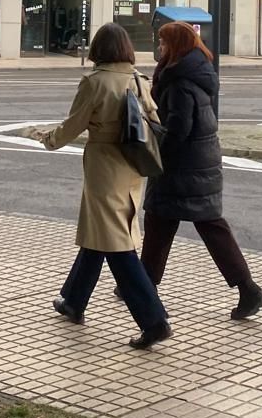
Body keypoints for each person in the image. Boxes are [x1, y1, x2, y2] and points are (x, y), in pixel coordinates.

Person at [40, 23, 173, 349]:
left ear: (98, 49)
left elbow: (73, 125)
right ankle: (73, 300)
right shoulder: (139, 81)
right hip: (132, 168)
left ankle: (154, 320)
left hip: (103, 168)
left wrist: (48, 139)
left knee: (117, 246)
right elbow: (155, 125)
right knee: (102, 234)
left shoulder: (95, 82)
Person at [141, 21, 262, 320]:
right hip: (200, 164)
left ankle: (145, 287)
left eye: (163, 42)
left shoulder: (180, 81)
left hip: (182, 168)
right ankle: (248, 289)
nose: (159, 48)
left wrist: (155, 146)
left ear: (176, 46)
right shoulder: (195, 73)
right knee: (198, 225)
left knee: (163, 223)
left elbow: (179, 130)